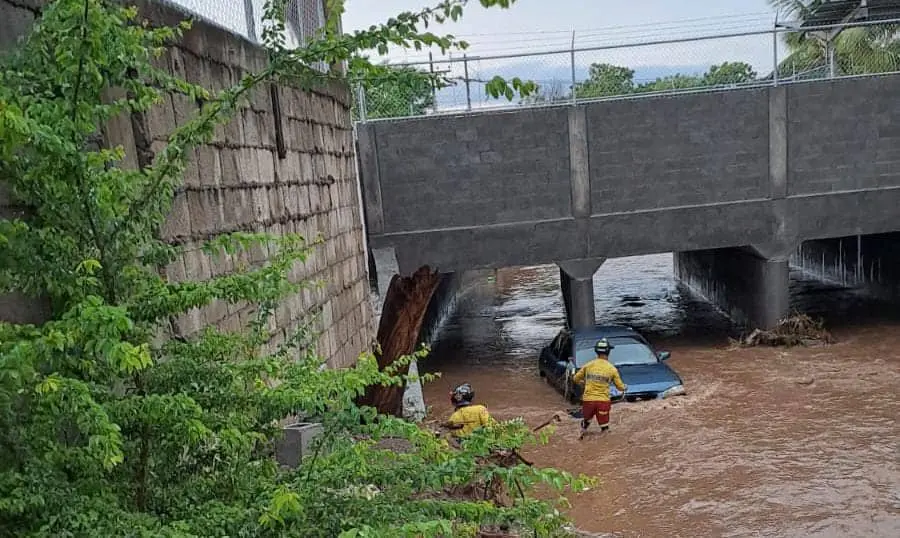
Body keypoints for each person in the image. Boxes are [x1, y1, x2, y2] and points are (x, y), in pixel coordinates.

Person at [571, 338, 627, 439]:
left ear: (596, 351)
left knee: (586, 421)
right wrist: (625, 387)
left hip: (588, 400)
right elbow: (620, 387)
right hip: (603, 402)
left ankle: (581, 435)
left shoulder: (588, 365)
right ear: (609, 352)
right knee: (604, 428)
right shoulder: (612, 369)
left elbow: (575, 378)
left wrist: (584, 383)